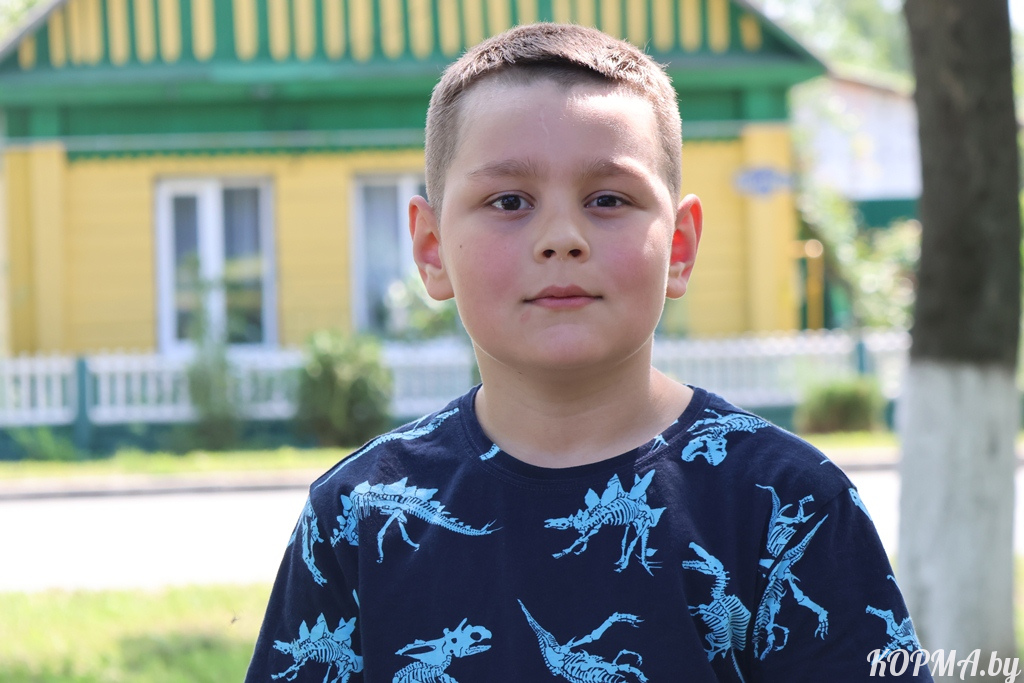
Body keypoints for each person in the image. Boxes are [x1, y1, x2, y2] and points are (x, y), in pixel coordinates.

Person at [246, 23, 932, 682]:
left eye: (607, 199)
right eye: (508, 201)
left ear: (679, 247)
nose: (562, 237)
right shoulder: (353, 517)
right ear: (431, 250)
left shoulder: (792, 506)